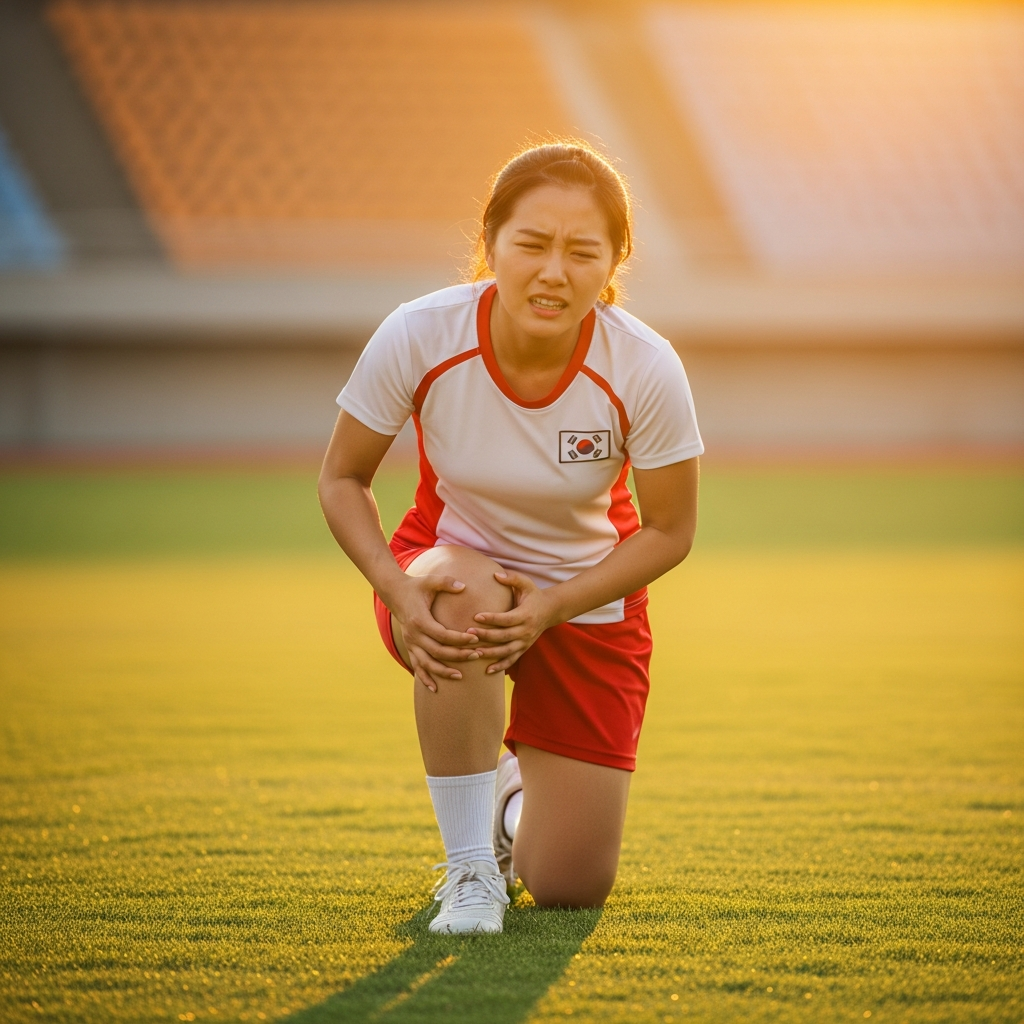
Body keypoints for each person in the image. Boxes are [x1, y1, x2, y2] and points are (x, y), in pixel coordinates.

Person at [318, 141, 702, 934]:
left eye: (581, 252)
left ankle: (508, 805)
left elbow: (670, 530)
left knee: (568, 886)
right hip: (453, 575)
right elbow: (342, 478)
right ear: (490, 241)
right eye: (531, 244)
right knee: (462, 598)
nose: (553, 271)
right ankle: (467, 875)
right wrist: (397, 589)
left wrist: (553, 604)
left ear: (614, 261)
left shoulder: (645, 367)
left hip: (585, 601)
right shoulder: (421, 333)